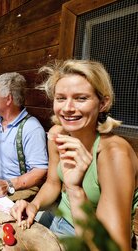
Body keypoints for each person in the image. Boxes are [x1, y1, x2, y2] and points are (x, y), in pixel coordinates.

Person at [10, 60, 138, 251]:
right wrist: (34, 206)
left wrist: (75, 189)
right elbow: (53, 183)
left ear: (103, 103)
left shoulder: (114, 154)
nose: (68, 108)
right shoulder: (57, 135)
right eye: (61, 98)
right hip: (54, 216)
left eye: (81, 98)